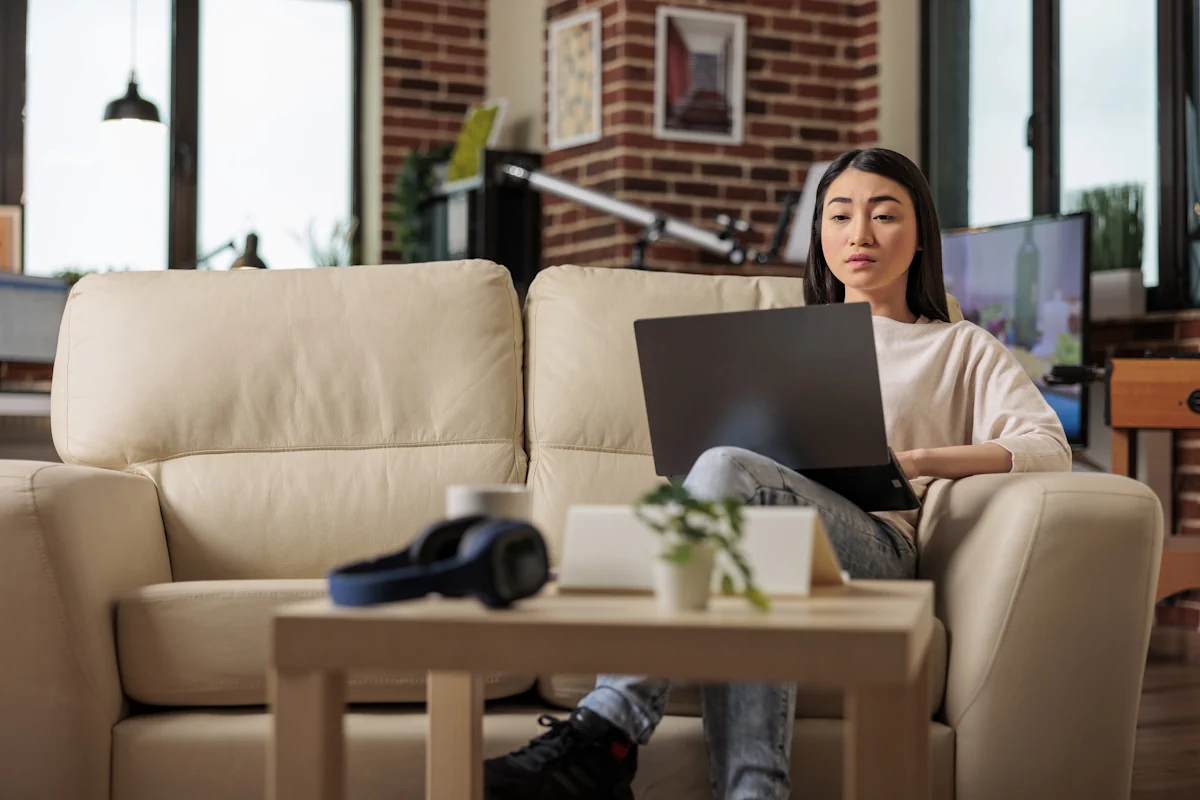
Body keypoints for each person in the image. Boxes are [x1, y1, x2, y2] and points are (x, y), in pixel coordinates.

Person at [483, 147, 1072, 800]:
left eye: (883, 215)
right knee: (742, 535)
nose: (859, 235)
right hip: (767, 532)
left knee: (729, 477)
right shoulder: (786, 339)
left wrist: (920, 461)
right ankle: (753, 790)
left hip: (876, 544)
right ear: (820, 234)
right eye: (840, 215)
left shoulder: (959, 345)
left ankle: (608, 732)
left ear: (921, 236)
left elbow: (1046, 445)